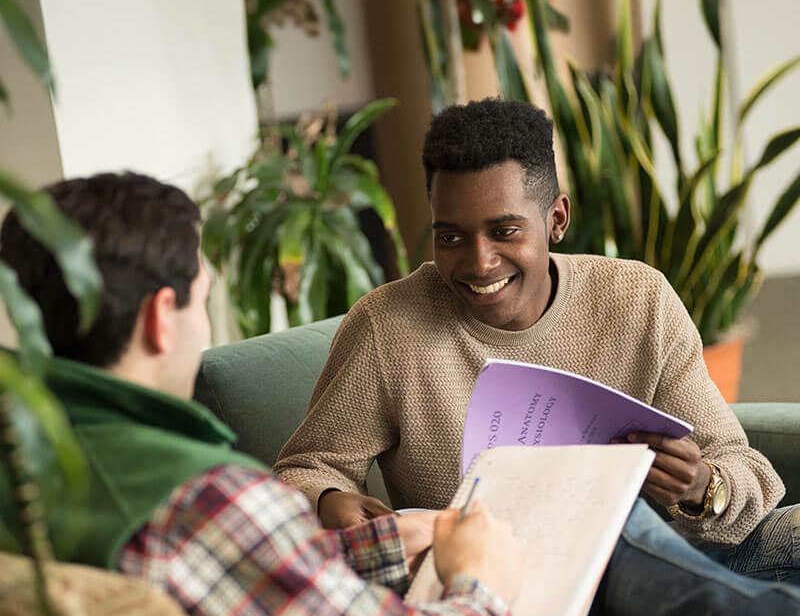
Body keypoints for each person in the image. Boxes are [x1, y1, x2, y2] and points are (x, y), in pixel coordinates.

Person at [2, 173, 800, 616]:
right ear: (159, 317)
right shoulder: (196, 494)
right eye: (206, 300)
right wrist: (478, 582)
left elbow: (235, 584)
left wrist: (397, 536)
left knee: (594, 522)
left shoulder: (39, 463)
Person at [274, 98, 799, 585]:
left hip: (659, 564)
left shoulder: (639, 299)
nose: (479, 262)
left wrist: (702, 488)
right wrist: (329, 500)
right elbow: (307, 467)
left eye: (504, 231)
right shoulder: (387, 327)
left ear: (557, 219)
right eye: (450, 236)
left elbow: (743, 471)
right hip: (506, 593)